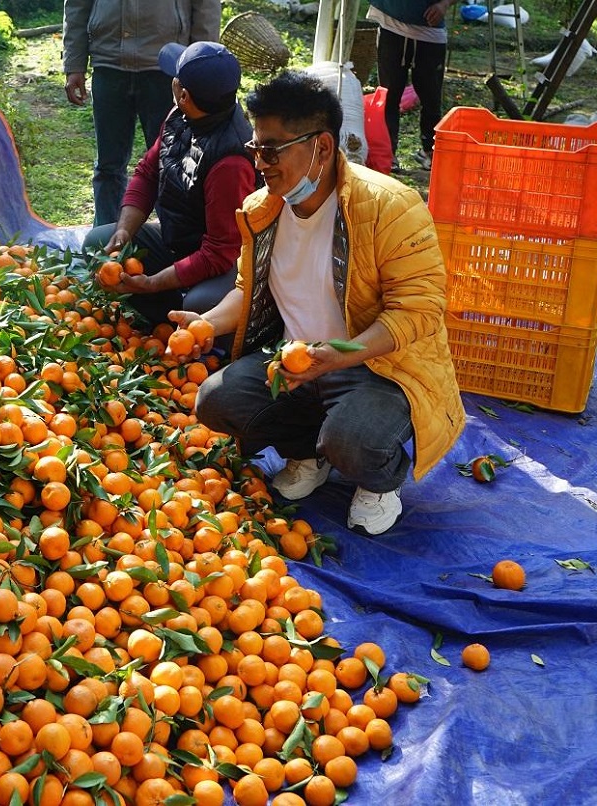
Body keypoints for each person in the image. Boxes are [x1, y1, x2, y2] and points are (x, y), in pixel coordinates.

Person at [175, 70, 464, 535]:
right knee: (216, 400)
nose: (261, 163)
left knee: (355, 441)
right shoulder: (262, 209)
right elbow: (248, 290)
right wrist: (205, 324)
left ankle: (378, 480)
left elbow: (418, 310)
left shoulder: (389, 208)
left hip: (379, 369)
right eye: (256, 149)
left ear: (322, 147)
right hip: (296, 363)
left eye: (272, 150)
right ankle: (309, 454)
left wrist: (339, 355)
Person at [84, 41, 258, 330]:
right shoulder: (181, 115)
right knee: (98, 242)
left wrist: (152, 283)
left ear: (184, 93)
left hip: (228, 262)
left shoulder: (230, 161)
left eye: (174, 78)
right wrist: (125, 229)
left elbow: (219, 252)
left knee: (201, 303)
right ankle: (164, 317)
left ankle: (196, 324)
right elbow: (148, 173)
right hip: (181, 240)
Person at [63, 0, 223, 226]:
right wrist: (74, 63)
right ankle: (105, 246)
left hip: (166, 66)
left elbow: (206, 7)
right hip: (109, 64)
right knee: (108, 166)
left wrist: (198, 65)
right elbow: (77, 5)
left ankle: (173, 241)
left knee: (171, 164)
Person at [365, 0, 454, 170]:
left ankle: (430, 150)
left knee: (431, 99)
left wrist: (445, 4)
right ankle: (387, 153)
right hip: (390, 26)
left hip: (430, 33)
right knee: (388, 97)